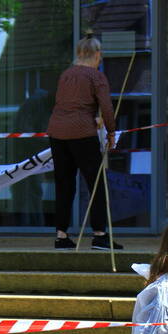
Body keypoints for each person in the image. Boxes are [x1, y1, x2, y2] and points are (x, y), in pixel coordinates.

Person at [47, 36, 117, 250]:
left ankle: (61, 235)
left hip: (57, 132)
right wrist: (111, 132)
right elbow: (106, 107)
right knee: (96, 184)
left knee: (64, 184)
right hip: (82, 133)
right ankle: (100, 235)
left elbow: (64, 102)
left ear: (79, 53)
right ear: (97, 55)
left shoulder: (66, 75)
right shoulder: (96, 76)